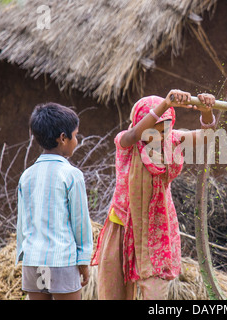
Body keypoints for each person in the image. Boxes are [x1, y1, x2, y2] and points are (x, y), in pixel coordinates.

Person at [91, 89, 216, 299]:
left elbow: (207, 136)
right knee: (114, 293)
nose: (159, 137)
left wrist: (206, 112)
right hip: (122, 227)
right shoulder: (126, 143)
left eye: (164, 130)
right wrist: (165, 104)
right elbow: (133, 135)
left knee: (156, 294)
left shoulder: (172, 140)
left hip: (156, 230)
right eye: (153, 131)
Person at [16, 102, 93, 300]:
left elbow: (22, 223)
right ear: (63, 138)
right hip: (62, 262)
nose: (76, 141)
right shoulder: (71, 175)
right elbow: (80, 223)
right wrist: (84, 261)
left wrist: (23, 255)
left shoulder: (27, 175)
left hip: (34, 263)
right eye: (75, 136)